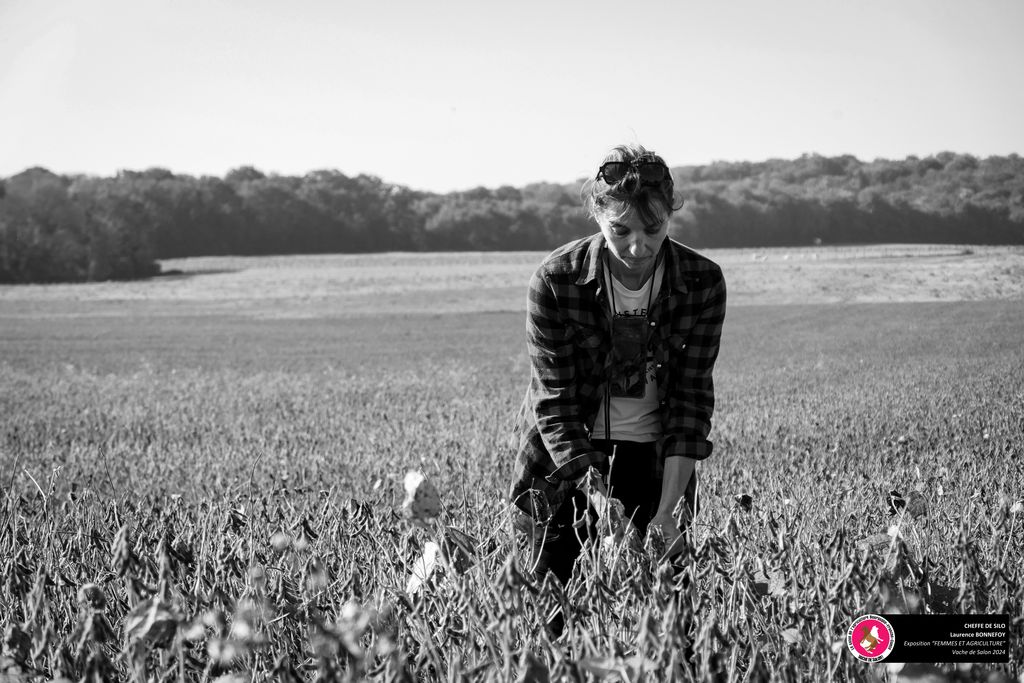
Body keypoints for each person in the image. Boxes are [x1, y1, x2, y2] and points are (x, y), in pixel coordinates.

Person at [509, 143, 727, 595]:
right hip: (566, 465)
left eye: (653, 228)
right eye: (620, 229)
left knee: (672, 623)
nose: (637, 246)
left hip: (659, 463)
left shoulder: (702, 281)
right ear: (596, 213)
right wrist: (600, 502)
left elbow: (690, 402)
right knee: (553, 613)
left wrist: (668, 512)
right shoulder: (556, 279)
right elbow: (556, 407)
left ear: (671, 213)